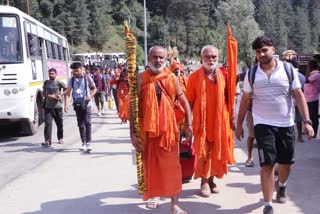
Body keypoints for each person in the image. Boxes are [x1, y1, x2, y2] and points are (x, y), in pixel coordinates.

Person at [235, 36, 314, 214]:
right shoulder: (252, 73)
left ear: (273, 49)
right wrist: (239, 124)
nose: (261, 54)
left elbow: (299, 96)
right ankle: (268, 203)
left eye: (264, 50)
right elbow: (246, 100)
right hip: (263, 123)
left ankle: (282, 185)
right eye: (257, 51)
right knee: (267, 164)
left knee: (286, 164)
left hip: (286, 123)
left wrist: (307, 121)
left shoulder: (288, 70)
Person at [130, 46, 192, 214]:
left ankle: (175, 205)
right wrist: (132, 134)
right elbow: (133, 106)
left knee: (172, 168)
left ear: (165, 59)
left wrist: (189, 124)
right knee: (150, 165)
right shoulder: (141, 78)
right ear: (149, 58)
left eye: (161, 58)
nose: (158, 60)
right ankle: (154, 196)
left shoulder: (171, 77)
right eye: (154, 57)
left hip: (169, 132)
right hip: (147, 132)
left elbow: (185, 102)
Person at [185, 45, 235, 197]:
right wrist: (187, 123)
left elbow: (230, 99)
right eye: (207, 56)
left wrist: (232, 118)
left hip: (220, 122)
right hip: (202, 123)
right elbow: (189, 102)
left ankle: (211, 180)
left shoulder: (224, 75)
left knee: (216, 151)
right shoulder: (193, 77)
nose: (211, 59)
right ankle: (204, 182)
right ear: (201, 58)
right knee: (203, 152)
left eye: (214, 56)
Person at [65, 62, 97, 153]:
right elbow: (68, 93)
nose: (75, 73)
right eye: (73, 71)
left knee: (88, 123)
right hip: (77, 104)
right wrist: (66, 105)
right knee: (81, 124)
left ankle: (89, 143)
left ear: (81, 69)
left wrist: (90, 96)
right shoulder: (71, 80)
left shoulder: (87, 78)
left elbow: (95, 89)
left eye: (77, 70)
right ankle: (83, 143)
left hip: (87, 104)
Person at [41, 68, 68, 147]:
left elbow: (67, 89)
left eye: (52, 73)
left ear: (56, 74)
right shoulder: (46, 83)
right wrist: (48, 96)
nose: (51, 75)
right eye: (49, 73)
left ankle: (60, 137)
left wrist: (60, 95)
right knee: (47, 124)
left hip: (57, 107)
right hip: (48, 107)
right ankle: (48, 141)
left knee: (59, 123)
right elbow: (43, 93)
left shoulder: (59, 82)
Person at [304, 59, 320, 137]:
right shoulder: (313, 74)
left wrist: (307, 71)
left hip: (313, 98)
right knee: (309, 115)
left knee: (313, 116)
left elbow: (306, 81)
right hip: (309, 98)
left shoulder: (316, 74)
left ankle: (314, 132)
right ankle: (309, 130)